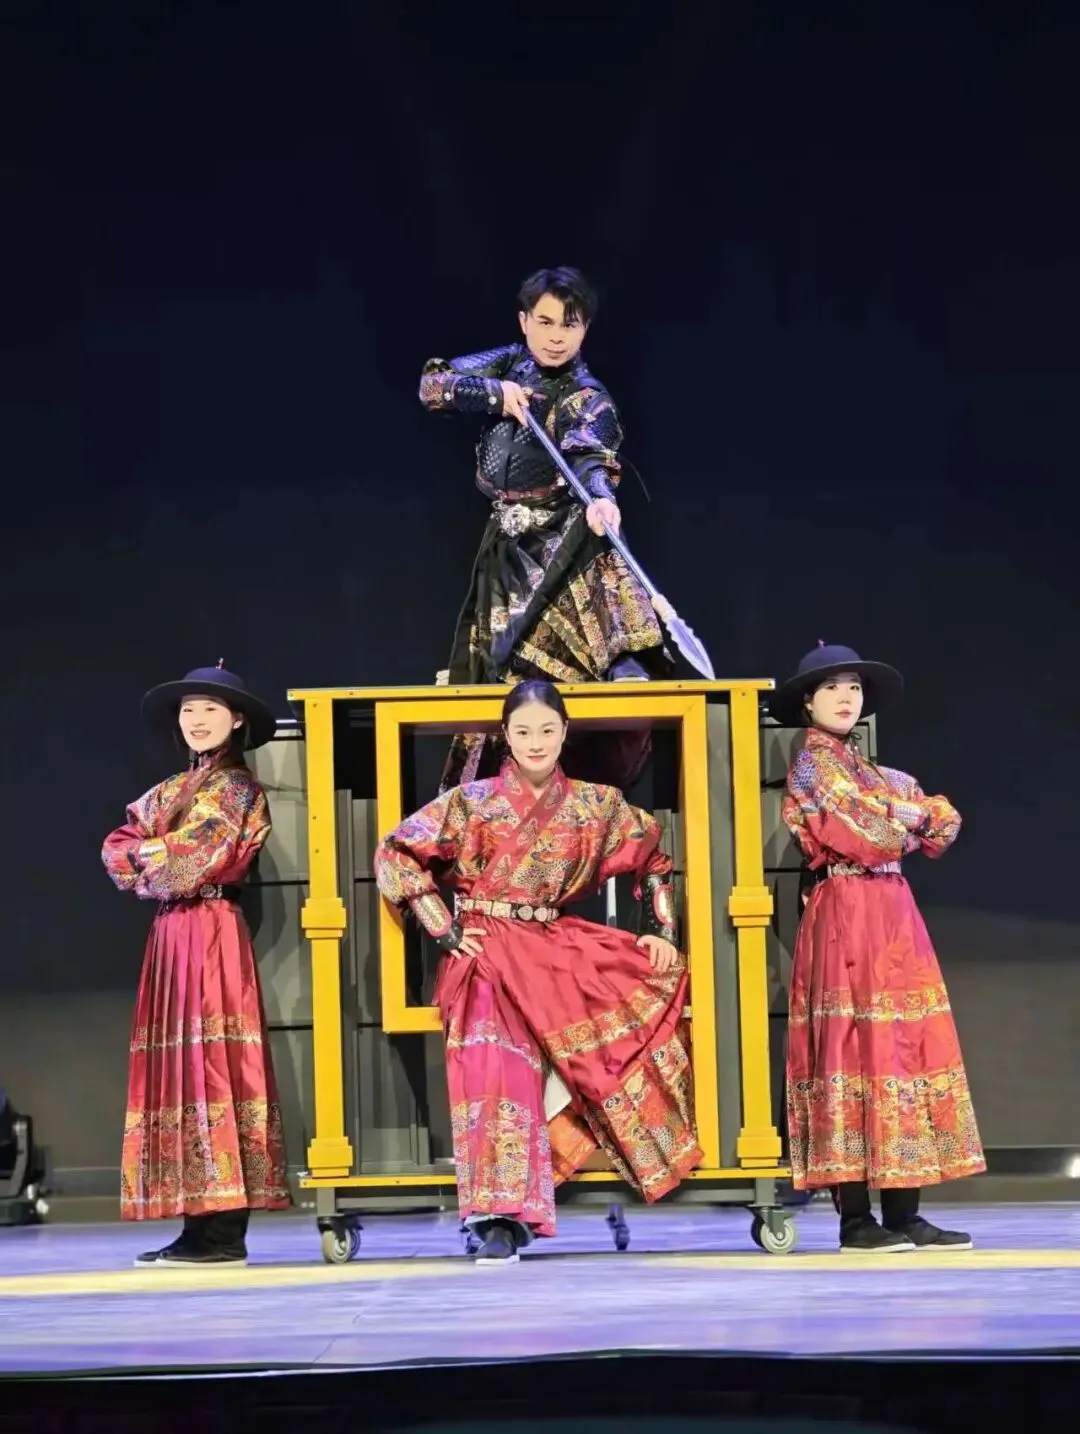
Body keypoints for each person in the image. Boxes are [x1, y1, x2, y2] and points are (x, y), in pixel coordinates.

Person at [373, 679, 702, 1264]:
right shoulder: (472, 802)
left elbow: (654, 855)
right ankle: (497, 1219)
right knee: (492, 1068)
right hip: (487, 950)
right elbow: (396, 852)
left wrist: (662, 929)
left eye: (547, 730)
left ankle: (535, 1186)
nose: (536, 742)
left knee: (638, 1010)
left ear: (565, 732)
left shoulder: (596, 804)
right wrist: (442, 926)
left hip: (553, 947)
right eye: (523, 731)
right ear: (506, 735)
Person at [420, 265, 672, 791]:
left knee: (571, 663)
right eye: (546, 322)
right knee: (499, 672)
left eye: (569, 325)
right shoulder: (508, 362)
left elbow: (590, 454)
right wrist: (494, 395)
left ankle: (580, 774)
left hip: (564, 536)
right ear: (525, 321)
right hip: (506, 544)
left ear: (585, 330)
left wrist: (601, 497)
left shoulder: (586, 394)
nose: (556, 336)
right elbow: (434, 385)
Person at [771, 642, 985, 1254]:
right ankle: (855, 1218)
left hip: (892, 912)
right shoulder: (812, 767)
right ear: (808, 702)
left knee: (902, 1048)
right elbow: (866, 833)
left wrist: (905, 814)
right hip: (846, 910)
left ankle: (904, 1211)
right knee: (851, 1048)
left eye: (853, 688)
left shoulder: (876, 775)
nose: (845, 697)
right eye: (831, 687)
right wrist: (912, 815)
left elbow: (947, 822)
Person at [101, 662, 290, 1266]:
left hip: (210, 930)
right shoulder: (168, 790)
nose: (198, 720)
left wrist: (148, 857)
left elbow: (195, 856)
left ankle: (224, 1231)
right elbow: (114, 847)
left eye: (211, 709)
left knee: (213, 1066)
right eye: (189, 710)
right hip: (171, 933)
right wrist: (151, 857)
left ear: (235, 721)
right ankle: (196, 1225)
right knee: (179, 1069)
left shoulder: (237, 790)